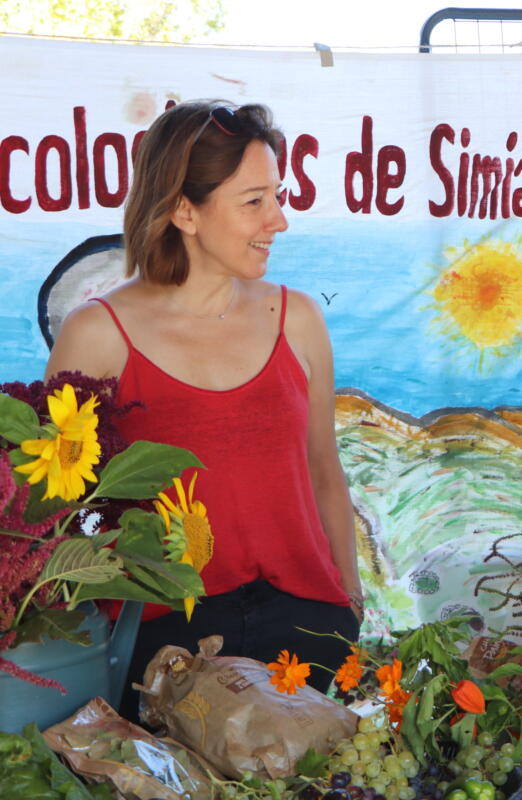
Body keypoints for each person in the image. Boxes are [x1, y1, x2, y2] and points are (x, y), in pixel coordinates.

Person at [45, 101, 361, 718]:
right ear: (183, 210)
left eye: (277, 195)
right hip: (163, 640)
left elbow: (325, 469)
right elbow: (60, 509)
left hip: (308, 627)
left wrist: (349, 597)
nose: (279, 219)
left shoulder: (298, 317)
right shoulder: (96, 335)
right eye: (254, 201)